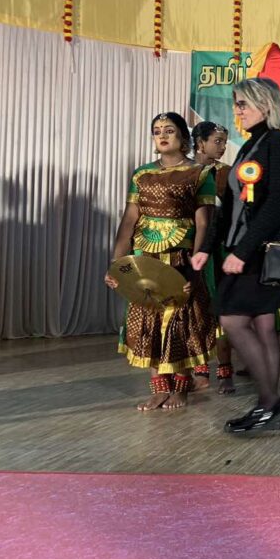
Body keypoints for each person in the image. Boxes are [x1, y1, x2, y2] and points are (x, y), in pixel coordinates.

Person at [194, 78, 280, 435]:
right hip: (249, 248)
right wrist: (205, 248)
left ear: (266, 105)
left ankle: (270, 403)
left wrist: (242, 252)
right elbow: (228, 207)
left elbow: (278, 205)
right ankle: (268, 408)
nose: (237, 111)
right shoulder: (249, 147)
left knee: (231, 318)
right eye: (237, 104)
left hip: (266, 252)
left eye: (243, 104)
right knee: (262, 324)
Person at [105, 112, 218, 411]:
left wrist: (196, 265)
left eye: (169, 130)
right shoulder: (141, 174)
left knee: (180, 323)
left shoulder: (200, 173)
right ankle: (158, 389)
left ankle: (181, 387)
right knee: (148, 321)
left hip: (181, 258)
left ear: (183, 136)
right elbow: (129, 221)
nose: (162, 136)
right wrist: (117, 264)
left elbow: (203, 223)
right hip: (145, 259)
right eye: (157, 131)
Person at [190, 121, 236, 393]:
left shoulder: (227, 173)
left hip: (218, 250)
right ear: (200, 143)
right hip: (188, 248)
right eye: (217, 141)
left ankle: (226, 371)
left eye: (224, 142)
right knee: (193, 311)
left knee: (221, 310)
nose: (222, 147)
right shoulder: (184, 171)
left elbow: (234, 213)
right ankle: (199, 371)